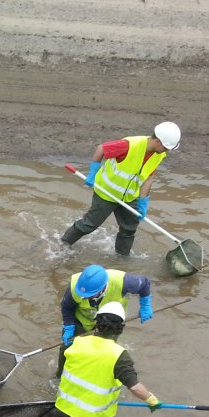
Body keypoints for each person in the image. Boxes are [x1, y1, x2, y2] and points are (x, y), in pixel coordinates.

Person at [31, 301, 163, 417]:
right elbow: (134, 386)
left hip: (65, 406)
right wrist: (152, 400)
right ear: (120, 329)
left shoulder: (77, 342)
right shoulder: (119, 355)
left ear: (96, 324)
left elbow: (63, 370)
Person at [61, 121, 181, 256]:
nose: (167, 151)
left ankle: (122, 257)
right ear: (158, 141)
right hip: (106, 194)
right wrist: (93, 171)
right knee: (89, 225)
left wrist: (143, 202)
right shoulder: (129, 145)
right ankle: (63, 244)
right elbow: (102, 148)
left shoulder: (159, 154)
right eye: (166, 147)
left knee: (129, 229)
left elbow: (148, 178)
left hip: (129, 197)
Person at [61, 264, 153, 346]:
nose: (85, 298)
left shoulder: (125, 282)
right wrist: (69, 326)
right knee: (69, 348)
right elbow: (67, 307)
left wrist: (145, 306)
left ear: (102, 289)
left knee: (105, 349)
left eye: (90, 295)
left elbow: (144, 284)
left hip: (110, 321)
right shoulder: (74, 288)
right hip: (82, 321)